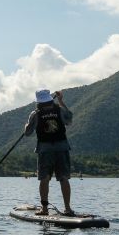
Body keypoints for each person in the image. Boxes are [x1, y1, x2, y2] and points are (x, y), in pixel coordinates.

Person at [23, 88, 75, 216]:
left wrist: (26, 125)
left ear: (38, 102)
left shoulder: (35, 114)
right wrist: (62, 101)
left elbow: (27, 133)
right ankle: (67, 209)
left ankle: (44, 209)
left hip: (45, 150)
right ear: (50, 100)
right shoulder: (59, 109)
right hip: (62, 148)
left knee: (44, 179)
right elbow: (69, 120)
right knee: (63, 178)